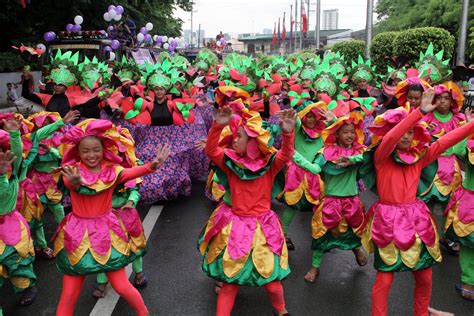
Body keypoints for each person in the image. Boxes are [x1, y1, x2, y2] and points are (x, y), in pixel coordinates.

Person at [362, 88, 474, 315]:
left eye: (412, 132)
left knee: (425, 276)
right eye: (402, 131)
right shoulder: (382, 157)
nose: (406, 136)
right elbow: (392, 138)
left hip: (416, 219)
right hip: (387, 220)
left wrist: (472, 126)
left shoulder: (419, 158)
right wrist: (418, 114)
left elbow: (444, 142)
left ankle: (422, 312)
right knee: (384, 280)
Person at [53, 119, 170, 316]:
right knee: (69, 293)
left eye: (96, 149)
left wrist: (153, 165)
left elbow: (132, 172)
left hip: (106, 232)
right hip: (77, 233)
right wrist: (73, 182)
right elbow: (70, 182)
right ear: (78, 152)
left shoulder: (112, 172)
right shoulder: (72, 171)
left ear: (104, 148)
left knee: (122, 286)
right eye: (86, 151)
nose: (91, 155)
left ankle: (144, 313)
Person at [199, 106, 296, 316]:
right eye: (234, 136)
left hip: (264, 228)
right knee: (229, 283)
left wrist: (288, 132)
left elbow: (286, 154)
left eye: (239, 136)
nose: (234, 140)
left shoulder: (270, 166)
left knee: (271, 282)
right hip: (236, 228)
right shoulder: (232, 164)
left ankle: (281, 310)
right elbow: (211, 151)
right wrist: (217, 126)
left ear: (254, 142)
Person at [305, 112, 368, 283]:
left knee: (352, 231)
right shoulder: (326, 151)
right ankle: (315, 267)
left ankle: (357, 250)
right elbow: (315, 167)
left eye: (352, 132)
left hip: (352, 200)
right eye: (345, 132)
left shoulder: (360, 151)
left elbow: (370, 156)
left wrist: (351, 159)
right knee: (320, 234)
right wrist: (293, 156)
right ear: (337, 134)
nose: (350, 135)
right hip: (330, 201)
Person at [0, 118, 38, 308]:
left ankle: (28, 288)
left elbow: (16, 154)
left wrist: (15, 135)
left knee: (17, 265)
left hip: (10, 226)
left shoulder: (11, 172)